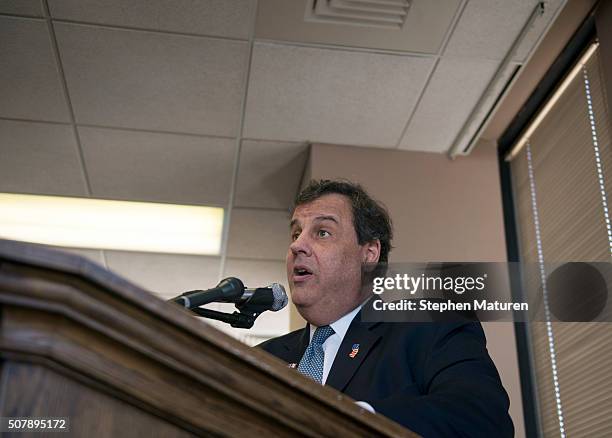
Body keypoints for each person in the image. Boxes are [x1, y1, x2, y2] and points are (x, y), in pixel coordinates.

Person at [259, 179, 514, 437]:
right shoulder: (263, 358)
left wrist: (348, 423)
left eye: (322, 232)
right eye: (295, 233)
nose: (296, 245)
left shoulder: (430, 326)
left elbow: (482, 417)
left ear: (369, 253)